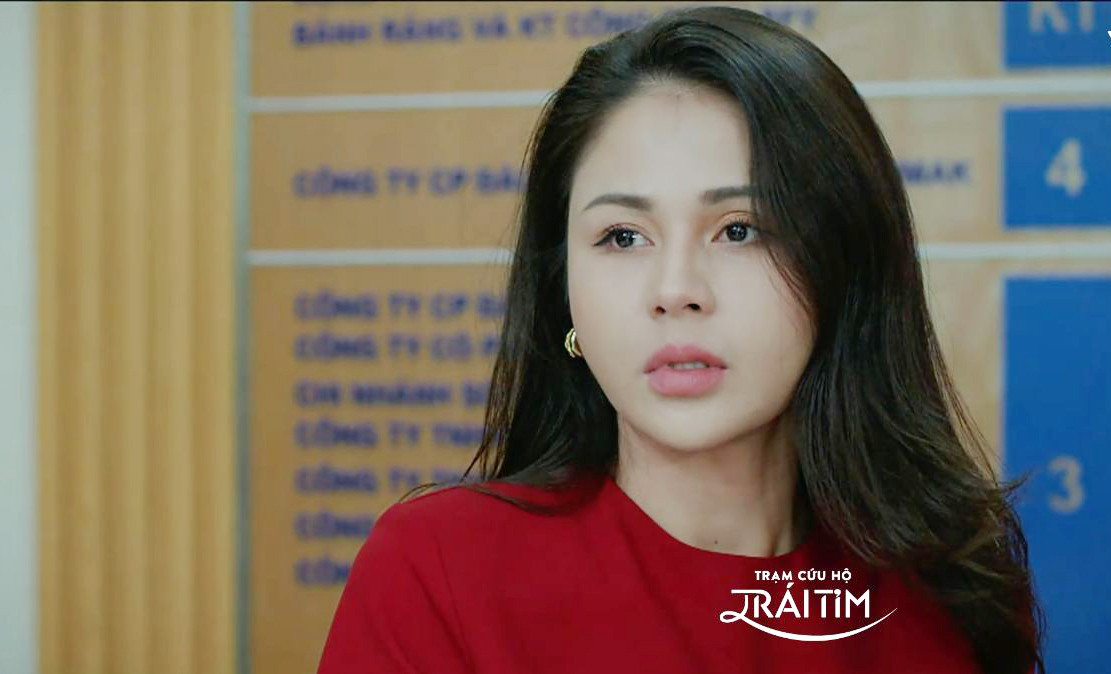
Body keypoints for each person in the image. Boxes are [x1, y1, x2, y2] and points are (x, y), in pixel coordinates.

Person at [317, 6, 1044, 673]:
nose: (674, 290)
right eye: (622, 236)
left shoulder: (953, 590)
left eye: (739, 230)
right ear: (562, 287)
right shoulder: (440, 572)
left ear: (841, 261)